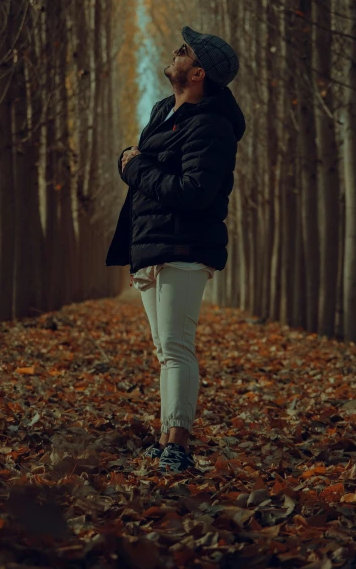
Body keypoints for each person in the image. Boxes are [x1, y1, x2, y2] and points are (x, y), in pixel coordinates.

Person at [105, 26, 245, 473]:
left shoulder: (212, 126)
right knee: (165, 350)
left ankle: (179, 445)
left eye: (183, 51)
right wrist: (133, 163)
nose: (175, 52)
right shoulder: (165, 111)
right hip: (152, 243)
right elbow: (145, 169)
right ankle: (167, 437)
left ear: (198, 71)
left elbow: (193, 192)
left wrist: (136, 166)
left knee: (177, 347)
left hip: (184, 245)